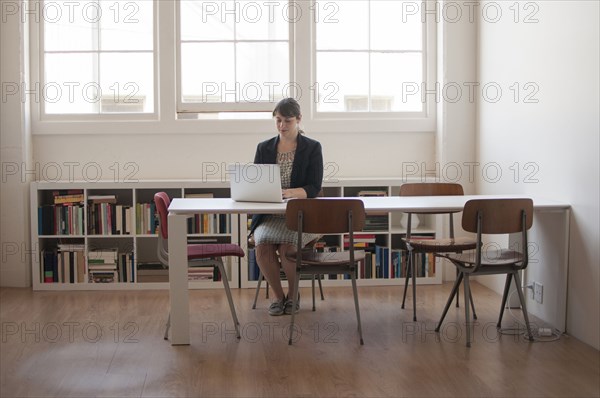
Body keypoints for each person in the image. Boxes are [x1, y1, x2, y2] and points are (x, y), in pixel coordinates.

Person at [249, 98, 323, 316]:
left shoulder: (312, 147)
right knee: (262, 245)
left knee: (287, 247)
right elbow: (256, 181)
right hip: (270, 215)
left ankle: (293, 295)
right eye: (278, 120)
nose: (282, 125)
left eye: (287, 121)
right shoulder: (263, 148)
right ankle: (278, 296)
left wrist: (290, 192)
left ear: (298, 119)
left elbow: (314, 186)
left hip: (301, 215)